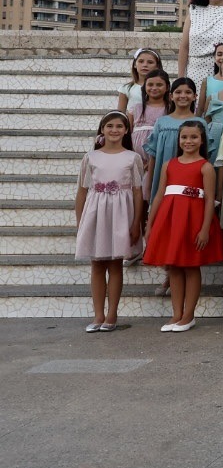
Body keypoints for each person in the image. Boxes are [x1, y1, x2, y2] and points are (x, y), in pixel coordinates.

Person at [143, 119, 221, 331]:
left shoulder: (205, 167)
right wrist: (150, 224)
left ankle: (189, 315)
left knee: (191, 266)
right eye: (184, 137)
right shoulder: (169, 164)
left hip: (193, 221)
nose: (188, 141)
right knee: (174, 267)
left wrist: (205, 229)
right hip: (170, 219)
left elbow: (209, 199)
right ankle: (176, 314)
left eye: (194, 137)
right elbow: (159, 195)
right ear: (178, 139)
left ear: (202, 139)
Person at [75, 111, 146, 332]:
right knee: (96, 264)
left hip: (121, 214)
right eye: (109, 126)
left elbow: (137, 192)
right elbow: (82, 191)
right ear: (102, 129)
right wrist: (81, 222)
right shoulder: (91, 157)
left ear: (126, 130)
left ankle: (112, 314)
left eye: (119, 126)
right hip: (96, 213)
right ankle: (98, 315)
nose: (114, 130)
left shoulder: (132, 157)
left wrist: (136, 223)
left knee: (115, 264)